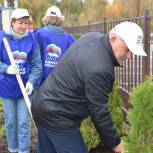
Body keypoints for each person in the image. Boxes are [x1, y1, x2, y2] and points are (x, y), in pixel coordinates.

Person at [31, 21, 147, 153]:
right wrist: (115, 143)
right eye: (127, 49)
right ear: (113, 38)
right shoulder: (101, 69)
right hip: (58, 117)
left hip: (42, 104)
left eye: (132, 52)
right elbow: (98, 110)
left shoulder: (93, 37)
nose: (129, 56)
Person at [0, 8, 42, 153]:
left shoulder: (31, 39)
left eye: (26, 23)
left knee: (24, 122)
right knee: (11, 121)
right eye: (20, 23)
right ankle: (13, 148)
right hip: (7, 88)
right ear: (12, 22)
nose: (24, 27)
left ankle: (23, 150)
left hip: (25, 88)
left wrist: (31, 81)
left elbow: (37, 64)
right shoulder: (2, 37)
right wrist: (5, 68)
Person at [34, 5, 75, 85]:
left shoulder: (38, 34)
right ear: (60, 19)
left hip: (41, 83)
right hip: (61, 83)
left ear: (46, 19)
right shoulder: (69, 38)